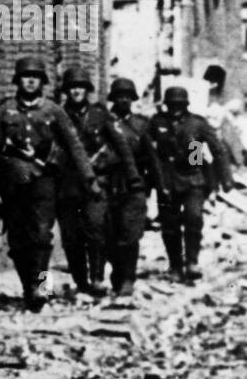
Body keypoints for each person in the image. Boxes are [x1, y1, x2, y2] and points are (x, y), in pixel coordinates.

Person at [0, 56, 96, 312]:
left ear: (43, 82)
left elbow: (74, 146)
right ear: (18, 80)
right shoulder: (5, 111)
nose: (31, 80)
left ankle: (43, 289)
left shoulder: (53, 111)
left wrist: (89, 178)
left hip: (44, 182)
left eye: (36, 76)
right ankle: (29, 288)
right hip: (13, 184)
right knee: (18, 240)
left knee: (42, 236)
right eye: (26, 76)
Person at [56, 67, 140, 297]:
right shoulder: (59, 115)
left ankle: (97, 278)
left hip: (97, 184)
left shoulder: (100, 115)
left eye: (81, 88)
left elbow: (122, 148)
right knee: (71, 238)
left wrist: (134, 177)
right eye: (72, 88)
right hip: (69, 185)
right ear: (66, 91)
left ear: (87, 91)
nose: (76, 92)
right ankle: (81, 280)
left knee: (96, 230)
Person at [148, 85, 233, 281]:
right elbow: (145, 146)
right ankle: (175, 265)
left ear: (185, 105)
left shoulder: (197, 123)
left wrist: (226, 178)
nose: (175, 109)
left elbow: (218, 149)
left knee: (193, 217)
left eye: (179, 105)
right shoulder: (158, 122)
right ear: (166, 105)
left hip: (194, 177)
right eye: (171, 105)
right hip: (167, 181)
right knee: (169, 225)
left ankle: (192, 261)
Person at [104, 78, 158, 295]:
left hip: (134, 186)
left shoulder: (141, 125)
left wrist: (156, 188)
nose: (123, 100)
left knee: (130, 234)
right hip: (108, 184)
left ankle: (128, 277)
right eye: (119, 96)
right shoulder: (103, 122)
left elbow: (152, 159)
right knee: (110, 235)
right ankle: (117, 273)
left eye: (127, 96)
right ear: (113, 99)